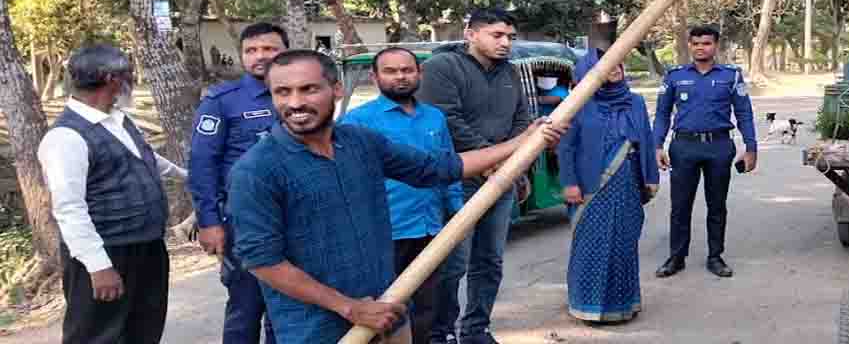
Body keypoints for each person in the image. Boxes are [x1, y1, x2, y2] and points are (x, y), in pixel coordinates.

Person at [227, 50, 565, 343]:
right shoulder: (257, 170)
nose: (295, 103)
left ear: (336, 89)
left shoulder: (360, 142)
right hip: (317, 330)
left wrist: (522, 141)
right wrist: (350, 308)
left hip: (388, 312)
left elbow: (437, 168)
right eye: (282, 92)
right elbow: (263, 261)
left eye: (309, 89)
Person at [38, 45, 188, 344]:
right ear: (112, 79)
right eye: (128, 74)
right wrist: (99, 266)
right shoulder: (65, 137)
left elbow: (145, 157)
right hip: (107, 251)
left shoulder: (118, 119)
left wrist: (188, 177)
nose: (132, 80)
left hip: (146, 246)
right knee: (97, 336)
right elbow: (69, 208)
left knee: (143, 331)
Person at [420, 9, 531, 344]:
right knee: (452, 264)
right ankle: (441, 333)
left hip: (501, 179)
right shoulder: (442, 67)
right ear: (470, 34)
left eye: (510, 37)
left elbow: (522, 120)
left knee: (490, 261)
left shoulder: (510, 71)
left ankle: (476, 329)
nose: (505, 43)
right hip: (458, 179)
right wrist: (491, 158)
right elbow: (446, 119)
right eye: (497, 35)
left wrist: (514, 168)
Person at [341, 47, 464, 344]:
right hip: (386, 232)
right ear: (375, 77)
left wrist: (457, 211)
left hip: (431, 228)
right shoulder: (357, 122)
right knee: (386, 309)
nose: (400, 77)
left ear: (419, 74)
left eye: (407, 70)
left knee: (428, 305)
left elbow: (448, 168)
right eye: (391, 71)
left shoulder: (434, 117)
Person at [188, 22, 288, 344]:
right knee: (246, 308)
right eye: (251, 50)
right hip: (245, 222)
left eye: (270, 48)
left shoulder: (301, 94)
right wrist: (209, 222)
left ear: (286, 51)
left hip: (297, 219)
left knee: (288, 309)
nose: (260, 56)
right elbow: (202, 164)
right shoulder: (222, 101)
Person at [559, 49, 659, 323]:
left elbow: (646, 140)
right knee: (591, 245)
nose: (615, 68)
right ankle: (588, 306)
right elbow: (566, 147)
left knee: (623, 245)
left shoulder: (635, 102)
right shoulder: (578, 103)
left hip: (628, 184)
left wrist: (651, 178)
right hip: (591, 187)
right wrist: (569, 183)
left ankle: (623, 305)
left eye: (618, 63)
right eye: (606, 65)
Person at [653, 25, 757, 279]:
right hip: (684, 147)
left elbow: (744, 112)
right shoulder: (674, 76)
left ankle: (715, 257)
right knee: (680, 206)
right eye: (696, 43)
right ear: (690, 45)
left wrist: (751, 147)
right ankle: (676, 257)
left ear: (716, 46)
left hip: (719, 147)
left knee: (717, 205)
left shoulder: (730, 76)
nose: (701, 48)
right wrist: (657, 145)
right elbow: (662, 114)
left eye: (707, 43)